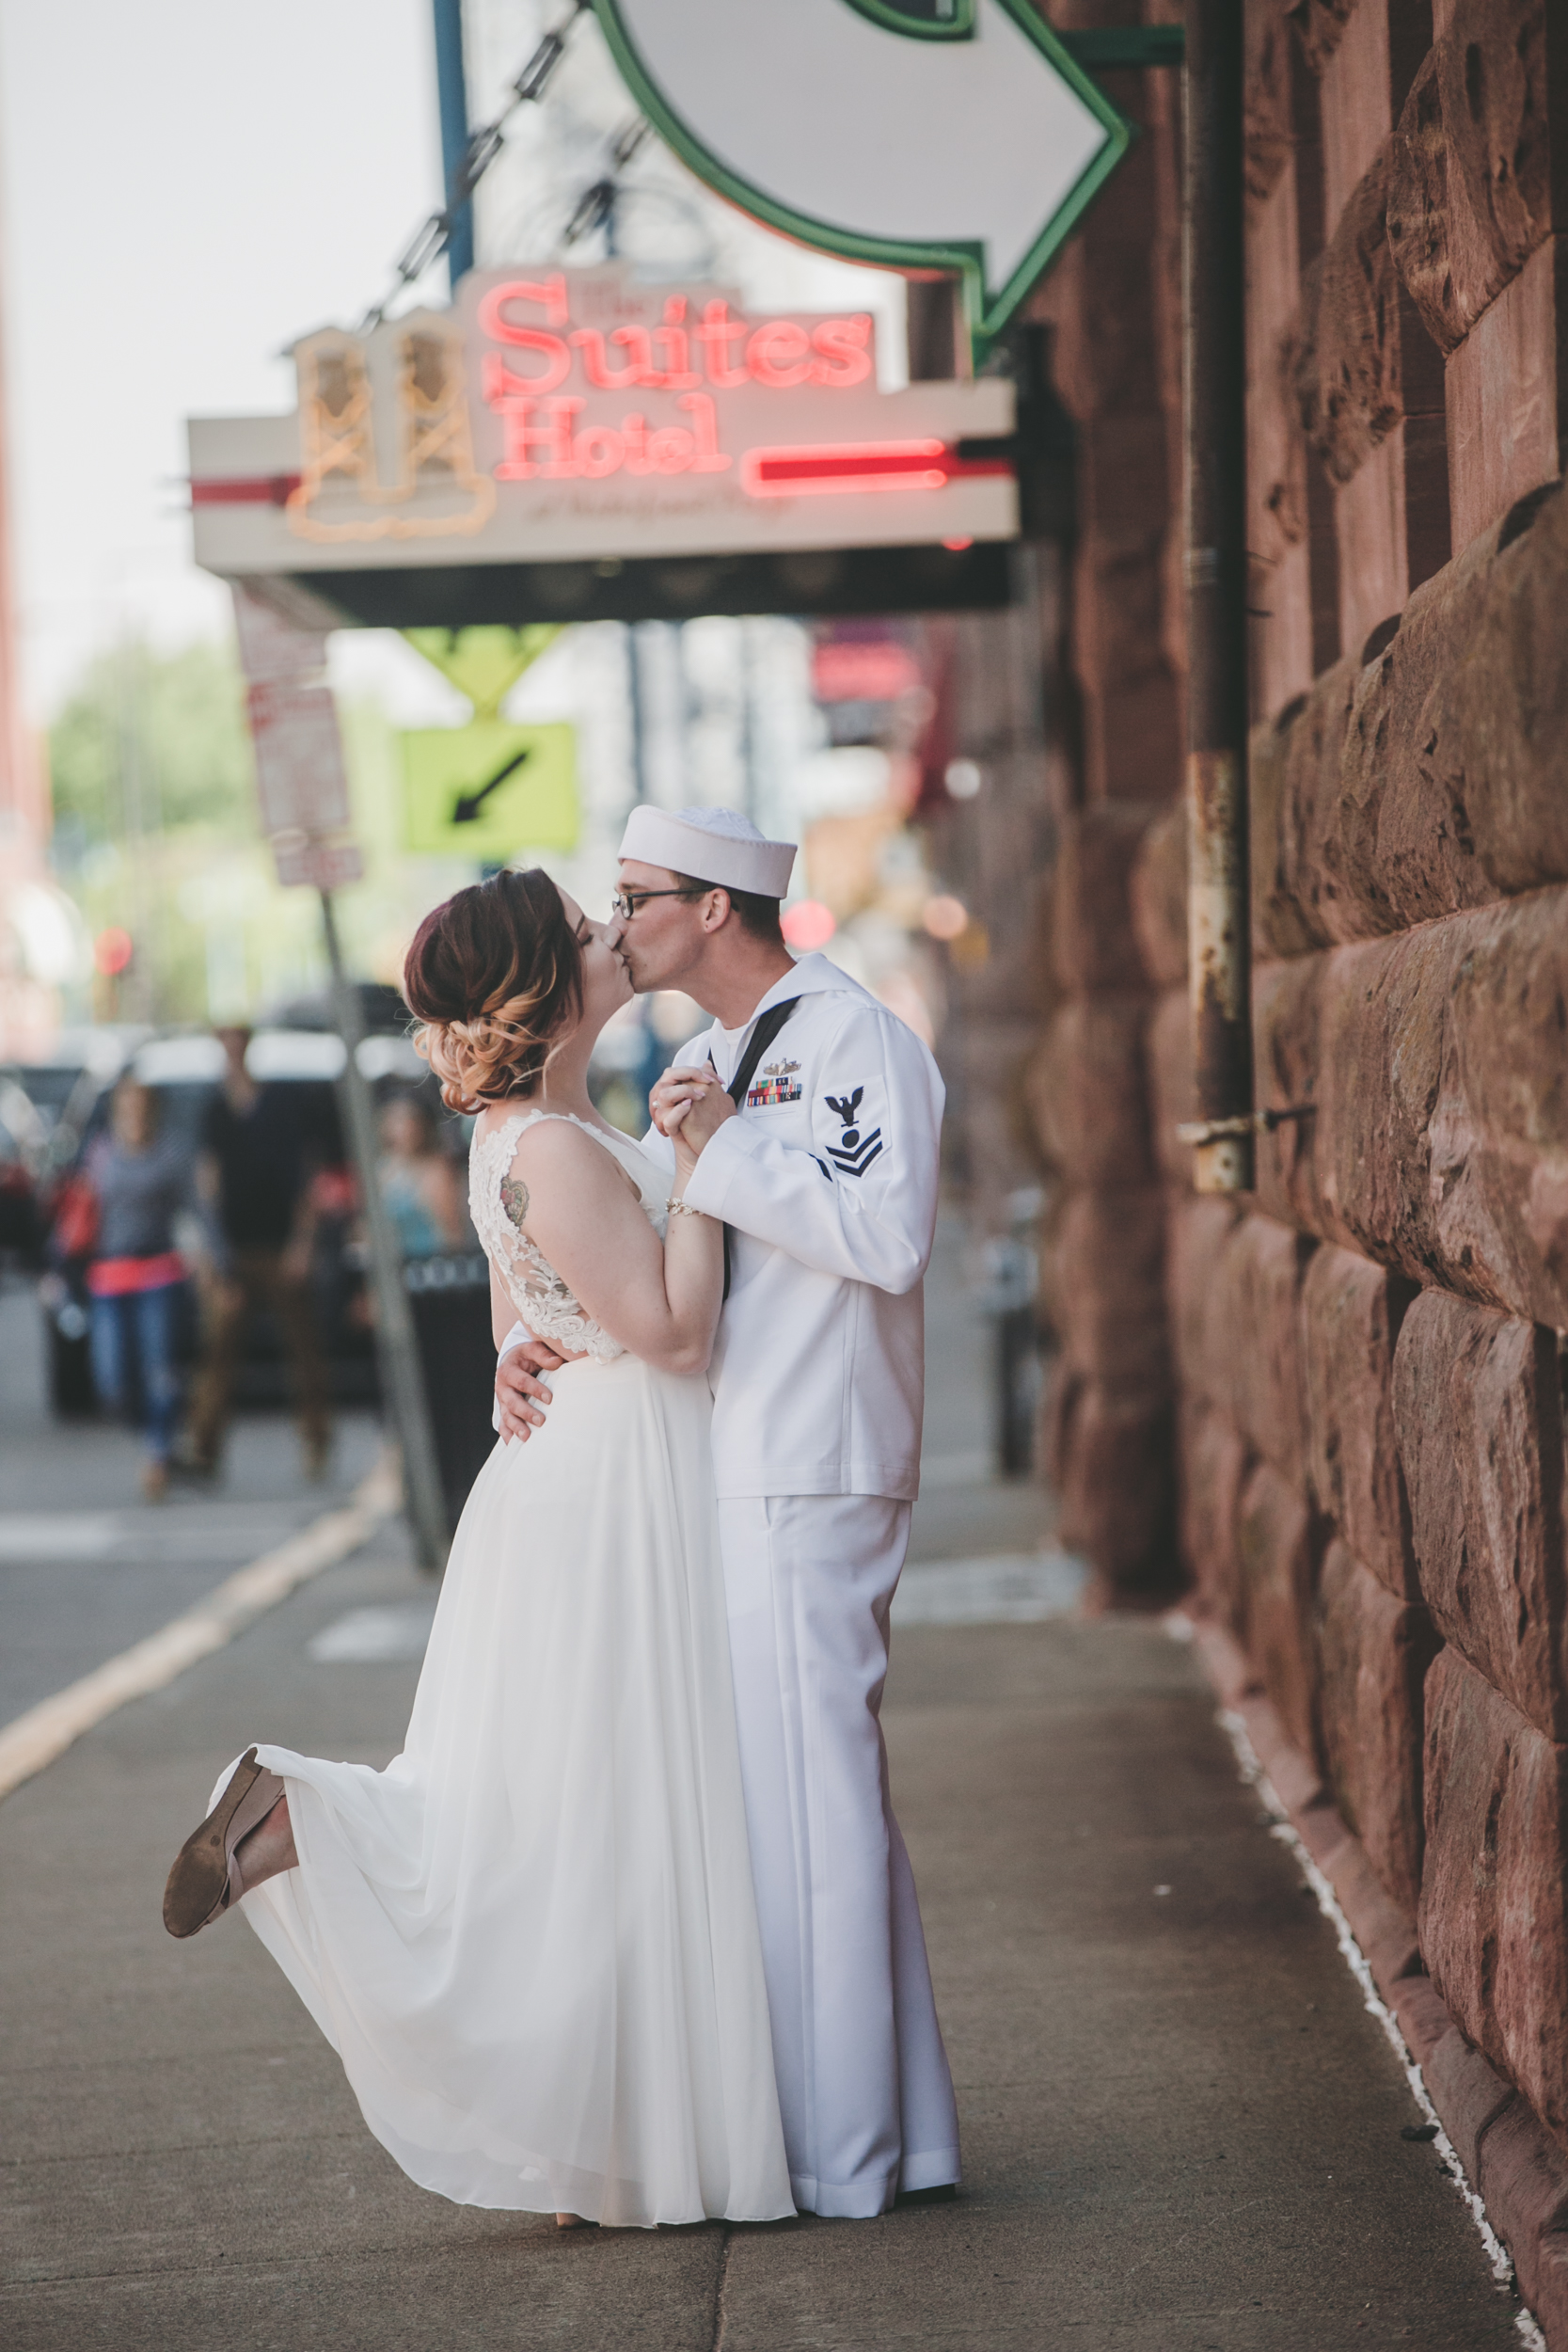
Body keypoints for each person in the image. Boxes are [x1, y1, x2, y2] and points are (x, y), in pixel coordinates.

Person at [161, 869, 792, 2233]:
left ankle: (587, 2139)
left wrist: (517, 1343)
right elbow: (676, 1333)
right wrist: (702, 1168)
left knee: (567, 1819)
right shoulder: (556, 1145)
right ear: (540, 991)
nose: (607, 937)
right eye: (579, 934)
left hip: (577, 1473)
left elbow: (524, 1302)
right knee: (608, 1809)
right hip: (616, 1483)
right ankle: (307, 1827)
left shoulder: (532, 1132)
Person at [497, 805, 961, 2221]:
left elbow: (887, 1235)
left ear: (710, 909)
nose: (612, 921)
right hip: (721, 1460)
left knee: (812, 1818)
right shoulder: (696, 1062)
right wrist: (538, 1337)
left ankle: (837, 2163)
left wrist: (723, 1162)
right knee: (807, 1815)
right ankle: (901, 2137)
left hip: (818, 1455)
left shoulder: (856, 1038)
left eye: (632, 898)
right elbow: (645, 1271)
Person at [186, 1025, 331, 1480]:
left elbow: (303, 1180)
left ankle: (316, 1444)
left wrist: (302, 1244)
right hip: (233, 1251)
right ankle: (204, 1449)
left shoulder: (279, 1106)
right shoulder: (214, 1112)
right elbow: (205, 1187)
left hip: (279, 1245)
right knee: (219, 1352)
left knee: (303, 1352)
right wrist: (212, 1256)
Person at [83, 1076, 198, 1502]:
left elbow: (196, 1211)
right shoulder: (100, 1153)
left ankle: (158, 1450)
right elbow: (82, 1209)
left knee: (161, 1370)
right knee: (113, 1381)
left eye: (141, 1105)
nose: (134, 1113)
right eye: (127, 1106)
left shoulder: (170, 1152)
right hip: (111, 1276)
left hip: (159, 1272)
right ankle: (152, 1432)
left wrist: (216, 1264)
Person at [376, 1090, 469, 1259]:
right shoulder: (383, 1169)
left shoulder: (437, 1170)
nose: (405, 1128)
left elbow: (453, 1233)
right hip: (393, 1265)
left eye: (410, 1120)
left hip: (431, 1265)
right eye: (397, 1120)